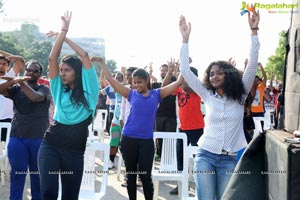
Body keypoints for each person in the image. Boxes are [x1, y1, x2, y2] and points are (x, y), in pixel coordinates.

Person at [178, 7, 260, 199]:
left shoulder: (241, 95)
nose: (214, 76)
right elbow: (185, 71)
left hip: (230, 160)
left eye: (219, 72)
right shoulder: (207, 95)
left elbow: (253, 63)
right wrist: (185, 40)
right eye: (211, 73)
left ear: (229, 75)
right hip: (205, 155)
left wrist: (254, 31)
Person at [93, 56, 183, 200]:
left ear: (147, 80)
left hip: (146, 142)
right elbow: (111, 79)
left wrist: (177, 69)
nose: (136, 85)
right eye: (134, 82)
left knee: (145, 176)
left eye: (139, 82)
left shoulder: (156, 94)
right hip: (128, 139)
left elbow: (179, 82)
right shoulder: (130, 94)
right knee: (131, 176)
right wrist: (102, 63)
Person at [37, 11, 99, 200]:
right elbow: (51, 60)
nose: (62, 73)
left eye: (67, 70)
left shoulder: (90, 91)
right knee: (48, 192)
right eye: (61, 70)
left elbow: (85, 55)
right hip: (51, 146)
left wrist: (66, 36)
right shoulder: (57, 88)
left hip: (74, 152)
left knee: (70, 197)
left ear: (77, 73)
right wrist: (62, 32)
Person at [0, 59, 50, 200]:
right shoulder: (16, 89)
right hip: (17, 138)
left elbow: (34, 98)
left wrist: (20, 81)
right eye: (29, 69)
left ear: (40, 74)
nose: (32, 72)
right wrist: (13, 81)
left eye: (35, 71)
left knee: (37, 176)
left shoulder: (44, 89)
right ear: (25, 71)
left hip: (38, 139)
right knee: (17, 175)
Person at [163, 64, 204, 195]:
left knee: (198, 158)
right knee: (180, 158)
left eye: (186, 76)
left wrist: (180, 75)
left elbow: (188, 87)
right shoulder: (179, 88)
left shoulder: (197, 88)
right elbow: (164, 88)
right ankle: (181, 185)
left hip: (196, 129)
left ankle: (201, 186)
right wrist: (170, 74)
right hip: (182, 129)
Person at [152, 62, 177, 160]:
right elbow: (162, 88)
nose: (164, 72)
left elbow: (178, 80)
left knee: (170, 139)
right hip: (159, 115)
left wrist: (173, 72)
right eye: (162, 70)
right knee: (160, 138)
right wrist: (169, 73)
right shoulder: (156, 84)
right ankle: (160, 155)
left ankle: (168, 160)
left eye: (166, 70)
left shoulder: (173, 82)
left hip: (171, 116)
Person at [0, 53, 23, 142]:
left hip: (8, 119)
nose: (1, 66)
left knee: (4, 149)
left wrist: (6, 55)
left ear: (8, 67)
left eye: (4, 64)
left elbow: (18, 61)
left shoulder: (11, 76)